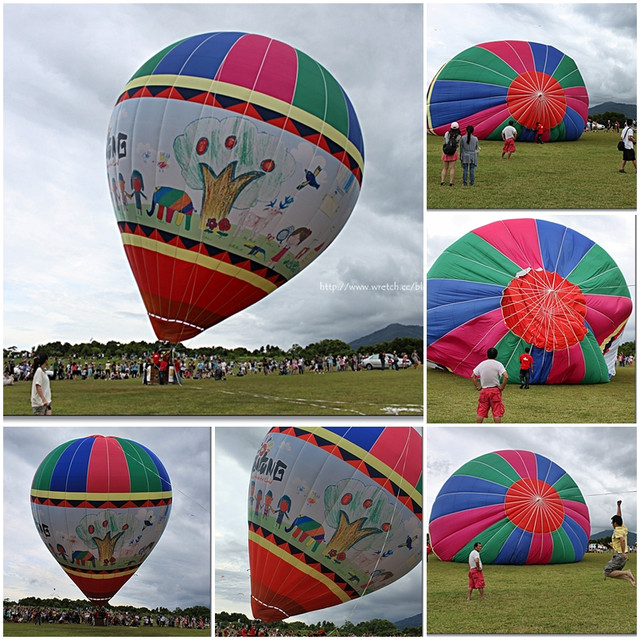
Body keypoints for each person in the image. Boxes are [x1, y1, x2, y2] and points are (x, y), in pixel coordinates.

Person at [603, 500, 635, 586]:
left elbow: (622, 540)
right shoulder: (623, 527)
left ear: (615, 523)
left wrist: (623, 553)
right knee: (614, 573)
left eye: (612, 522)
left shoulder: (617, 530)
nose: (611, 524)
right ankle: (630, 579)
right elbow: (619, 516)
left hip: (620, 555)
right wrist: (618, 506)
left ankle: (627, 572)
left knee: (607, 572)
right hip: (623, 556)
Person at [472, 347, 508, 423]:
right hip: (495, 391)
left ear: (487, 355)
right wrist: (502, 387)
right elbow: (506, 376)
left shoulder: (482, 364)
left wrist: (477, 387)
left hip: (484, 390)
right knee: (497, 413)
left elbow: (473, 376)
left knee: (481, 412)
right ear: (496, 355)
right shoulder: (498, 365)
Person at [441, 122, 461, 186]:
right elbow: (457, 144)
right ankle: (451, 182)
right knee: (452, 168)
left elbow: (445, 142)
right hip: (453, 153)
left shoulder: (447, 134)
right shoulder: (458, 136)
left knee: (445, 168)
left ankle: (442, 181)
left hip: (446, 152)